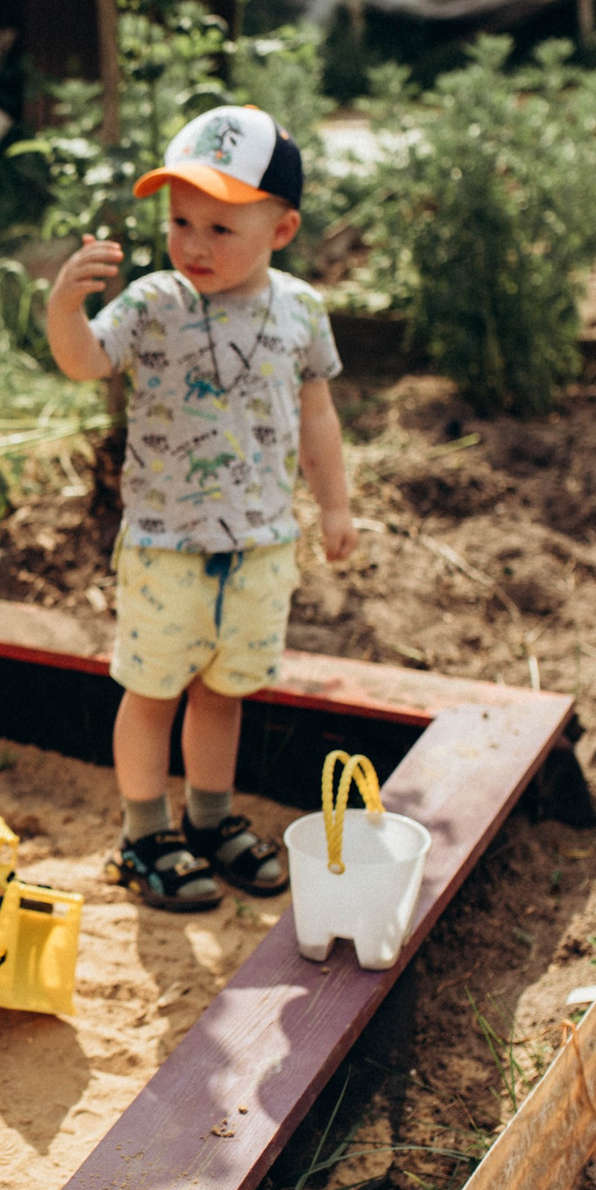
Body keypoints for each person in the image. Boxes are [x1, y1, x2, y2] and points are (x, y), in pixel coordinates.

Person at [42, 105, 357, 911]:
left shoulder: (301, 311)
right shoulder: (154, 303)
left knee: (225, 690)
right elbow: (85, 363)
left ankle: (208, 820)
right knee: (152, 691)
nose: (194, 243)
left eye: (222, 226)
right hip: (166, 544)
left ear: (281, 229)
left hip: (261, 544)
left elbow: (317, 416)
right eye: (181, 220)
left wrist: (334, 509)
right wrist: (63, 309)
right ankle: (146, 832)